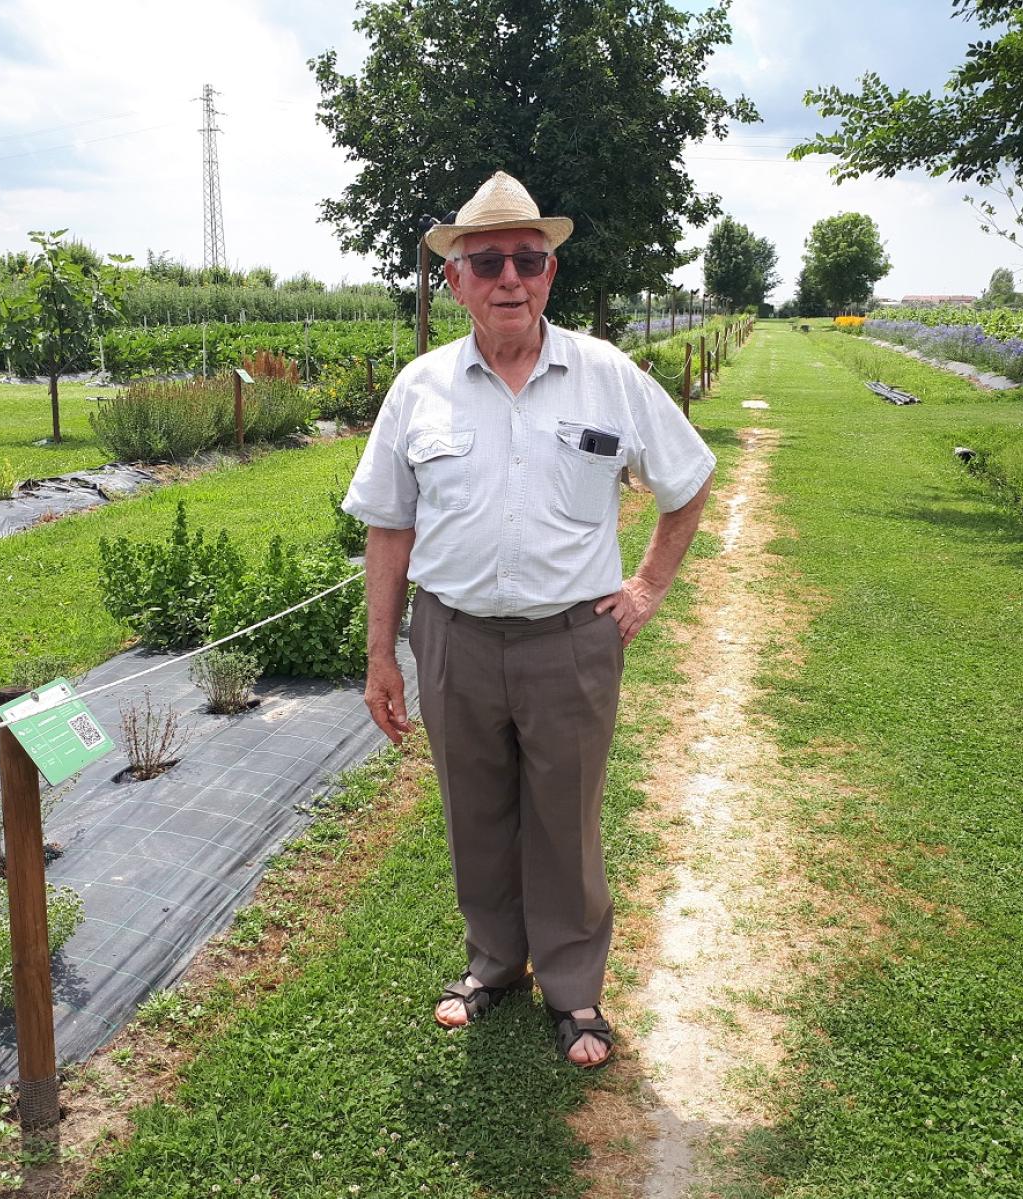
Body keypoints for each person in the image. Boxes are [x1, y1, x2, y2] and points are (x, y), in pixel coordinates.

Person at [342, 170, 714, 1068]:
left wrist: (649, 588)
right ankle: (494, 965)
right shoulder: (419, 388)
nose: (510, 276)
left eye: (528, 259)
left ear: (550, 275)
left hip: (570, 643)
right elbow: (389, 526)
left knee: (565, 819)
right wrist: (382, 654)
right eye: (488, 261)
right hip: (455, 638)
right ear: (455, 281)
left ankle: (577, 993)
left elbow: (688, 480)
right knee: (475, 812)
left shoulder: (607, 375)